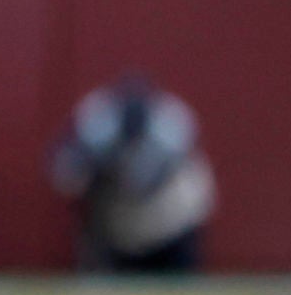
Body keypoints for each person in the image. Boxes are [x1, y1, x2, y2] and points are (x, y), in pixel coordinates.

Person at [51, 76, 216, 273]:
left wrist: (111, 168)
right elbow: (64, 174)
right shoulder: (95, 122)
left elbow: (143, 185)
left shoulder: (171, 124)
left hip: (171, 225)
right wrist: (90, 164)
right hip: (115, 231)